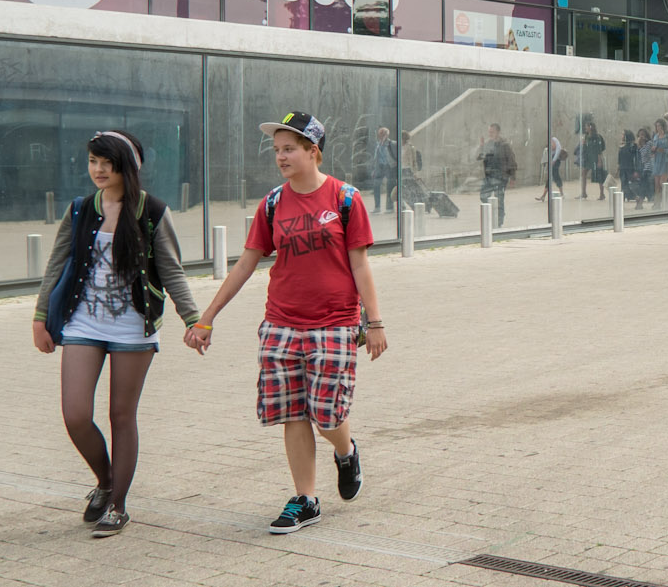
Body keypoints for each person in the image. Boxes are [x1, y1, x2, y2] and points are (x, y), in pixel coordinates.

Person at [185, 112, 385, 535]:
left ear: (314, 151)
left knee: (327, 416)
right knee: (294, 412)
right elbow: (245, 263)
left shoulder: (345, 199)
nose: (281, 157)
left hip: (335, 323)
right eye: (277, 150)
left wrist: (377, 321)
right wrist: (207, 317)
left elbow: (361, 265)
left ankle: (346, 451)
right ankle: (306, 499)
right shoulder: (273, 203)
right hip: (281, 323)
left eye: (289, 148)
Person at [32, 131, 198, 537]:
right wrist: (40, 316)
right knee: (75, 415)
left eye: (108, 162)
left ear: (129, 165)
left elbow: (172, 270)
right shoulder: (79, 210)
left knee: (121, 415)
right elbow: (56, 265)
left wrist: (195, 320)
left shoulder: (152, 211)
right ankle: (105, 482)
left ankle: (118, 505)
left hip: (132, 326)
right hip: (82, 322)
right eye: (93, 161)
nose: (99, 169)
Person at [478, 123, 516, 227]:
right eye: (489, 132)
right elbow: (480, 157)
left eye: (492, 132)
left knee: (499, 198)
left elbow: (511, 160)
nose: (489, 134)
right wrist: (481, 146)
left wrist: (512, 177)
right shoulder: (488, 144)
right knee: (483, 195)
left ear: (498, 132)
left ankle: (499, 221)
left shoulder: (505, 145)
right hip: (489, 176)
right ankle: (493, 213)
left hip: (501, 176)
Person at [577, 121, 606, 200]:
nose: (585, 128)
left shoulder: (597, 137)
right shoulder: (586, 136)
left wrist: (599, 161)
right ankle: (583, 193)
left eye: (586, 126)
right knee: (583, 173)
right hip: (588, 159)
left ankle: (602, 194)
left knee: (599, 176)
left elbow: (600, 149)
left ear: (590, 127)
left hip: (596, 159)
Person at [371, 127, 397, 211]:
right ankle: (377, 206)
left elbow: (396, 155)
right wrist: (374, 169)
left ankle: (389, 207)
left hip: (389, 166)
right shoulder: (378, 145)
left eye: (383, 135)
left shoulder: (392, 144)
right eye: (380, 135)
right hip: (380, 166)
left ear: (386, 135)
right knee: (376, 185)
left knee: (390, 186)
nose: (381, 137)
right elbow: (376, 157)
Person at [616, 130, 641, 210]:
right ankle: (636, 199)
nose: (622, 135)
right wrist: (618, 168)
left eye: (623, 134)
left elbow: (636, 158)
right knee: (624, 186)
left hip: (629, 168)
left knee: (628, 186)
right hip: (623, 169)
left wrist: (636, 170)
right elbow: (620, 158)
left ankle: (637, 199)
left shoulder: (632, 146)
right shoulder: (622, 145)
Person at [535, 136, 566, 201]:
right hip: (552, 161)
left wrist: (553, 161)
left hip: (556, 162)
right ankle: (543, 196)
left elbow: (558, 151)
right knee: (549, 178)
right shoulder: (550, 148)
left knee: (556, 176)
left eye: (552, 144)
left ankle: (561, 194)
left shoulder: (556, 142)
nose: (551, 146)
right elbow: (549, 156)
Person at [649, 119, 668, 204]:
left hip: (665, 161)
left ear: (663, 126)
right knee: (657, 184)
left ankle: (666, 202)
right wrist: (653, 150)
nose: (658, 127)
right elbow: (652, 147)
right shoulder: (655, 136)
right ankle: (657, 203)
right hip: (657, 160)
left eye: (660, 126)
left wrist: (664, 150)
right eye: (657, 126)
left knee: (663, 183)